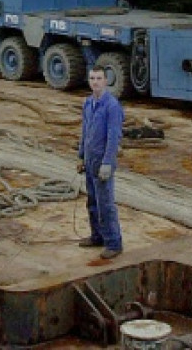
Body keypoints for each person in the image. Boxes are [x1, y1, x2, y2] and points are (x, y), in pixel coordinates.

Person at [77, 65, 124, 259]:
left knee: (105, 204)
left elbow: (114, 137)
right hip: (90, 160)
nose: (95, 82)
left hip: (102, 162)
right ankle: (97, 236)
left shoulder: (112, 106)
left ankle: (114, 243)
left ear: (106, 81)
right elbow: (85, 132)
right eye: (92, 78)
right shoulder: (88, 103)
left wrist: (107, 162)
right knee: (92, 202)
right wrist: (81, 156)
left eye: (98, 78)